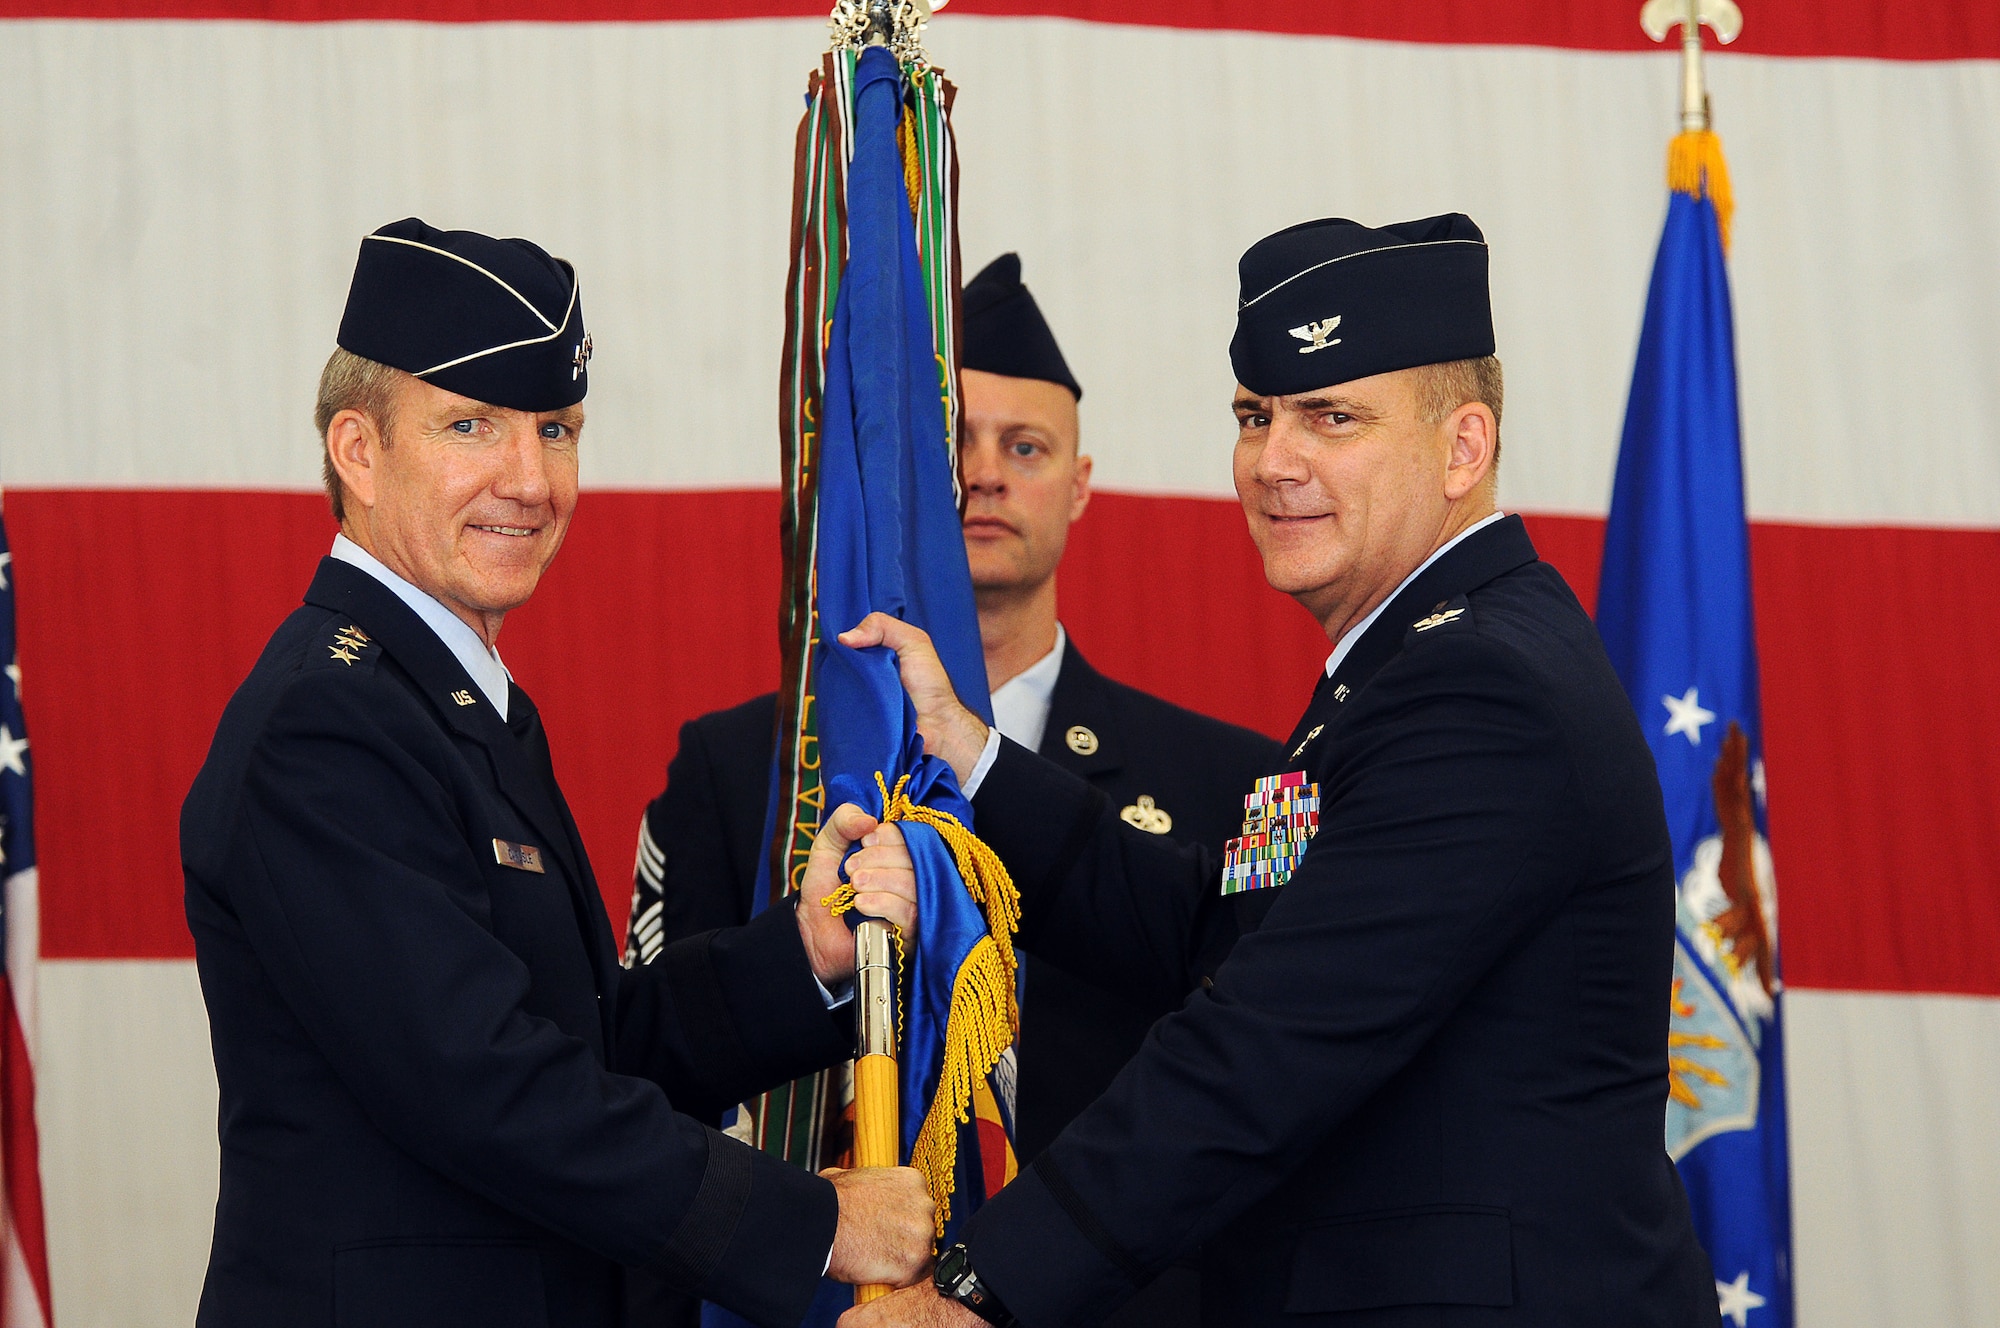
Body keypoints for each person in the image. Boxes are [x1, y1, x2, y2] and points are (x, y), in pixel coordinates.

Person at [837, 215, 1718, 1327]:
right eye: (1255, 416)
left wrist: (972, 1286)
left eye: (1331, 416)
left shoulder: (1479, 692)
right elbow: (1219, 929)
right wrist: (970, 751)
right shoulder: (1413, 660)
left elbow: (1260, 1045)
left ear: (1462, 447)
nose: (1273, 461)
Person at [180, 218, 935, 1328]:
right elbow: (487, 1088)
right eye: (470, 424)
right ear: (357, 450)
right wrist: (815, 1223)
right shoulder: (327, 721)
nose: (528, 479)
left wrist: (804, 952)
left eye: (557, 427)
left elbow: (588, 1038)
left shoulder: (447, 697)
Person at [625, 254, 1277, 1327]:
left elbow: (1255, 1096)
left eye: (1024, 447)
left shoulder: (1229, 779)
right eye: (949, 446)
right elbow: (654, 1086)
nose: (984, 474)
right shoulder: (741, 768)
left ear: (1079, 481)